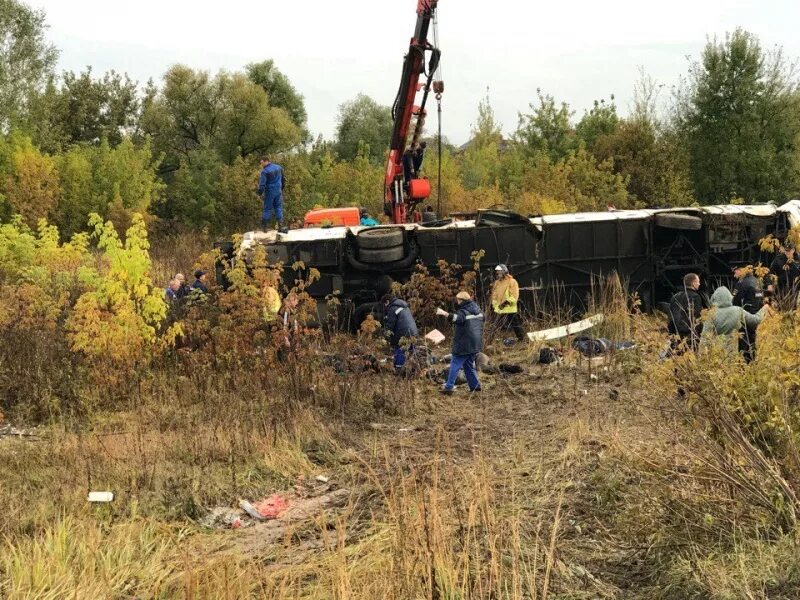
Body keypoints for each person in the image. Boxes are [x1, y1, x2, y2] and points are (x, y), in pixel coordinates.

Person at [436, 291, 484, 394]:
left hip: (464, 344)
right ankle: (475, 386)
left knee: (455, 364)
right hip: (475, 343)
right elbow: (483, 319)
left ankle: (448, 387)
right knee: (469, 365)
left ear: (462, 300)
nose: (457, 302)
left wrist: (443, 313)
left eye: (458, 300)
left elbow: (456, 318)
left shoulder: (463, 312)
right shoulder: (479, 310)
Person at [701, 286, 770, 355]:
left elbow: (704, 337)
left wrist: (702, 356)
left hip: (716, 355)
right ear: (729, 297)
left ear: (714, 299)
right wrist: (763, 309)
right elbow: (755, 320)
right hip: (733, 353)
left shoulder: (711, 314)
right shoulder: (737, 310)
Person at [732, 266, 764, 362]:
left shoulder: (741, 283)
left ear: (740, 270)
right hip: (755, 314)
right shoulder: (757, 281)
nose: (734, 274)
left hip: (745, 314)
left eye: (735, 271)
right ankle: (752, 360)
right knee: (752, 338)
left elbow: (735, 301)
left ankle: (744, 363)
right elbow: (761, 298)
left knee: (743, 340)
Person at [667, 272, 705, 352]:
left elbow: (671, 319)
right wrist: (698, 336)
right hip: (690, 336)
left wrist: (671, 335)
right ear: (693, 283)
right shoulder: (695, 297)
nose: (699, 284)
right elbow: (696, 318)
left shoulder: (675, 297)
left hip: (676, 335)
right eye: (698, 281)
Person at [490, 264, 525, 344]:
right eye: (497, 272)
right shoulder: (497, 283)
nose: (497, 273)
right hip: (499, 308)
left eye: (499, 272)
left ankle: (522, 340)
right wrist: (494, 305)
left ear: (504, 271)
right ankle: (490, 341)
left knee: (515, 324)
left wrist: (506, 302)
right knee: (495, 325)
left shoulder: (512, 282)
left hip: (509, 307)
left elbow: (515, 295)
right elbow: (494, 295)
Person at [382, 295, 419, 370]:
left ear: (387, 302)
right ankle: (414, 368)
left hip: (403, 333)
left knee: (400, 350)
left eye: (384, 304)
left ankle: (399, 368)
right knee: (412, 350)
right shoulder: (404, 306)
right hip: (414, 332)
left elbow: (390, 325)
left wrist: (386, 336)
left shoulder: (392, 308)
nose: (385, 307)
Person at [258, 156, 287, 233]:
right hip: (278, 190)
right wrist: (281, 188)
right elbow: (283, 179)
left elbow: (262, 185)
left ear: (266, 161)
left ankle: (265, 228)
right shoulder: (278, 167)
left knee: (267, 208)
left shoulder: (265, 171)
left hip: (270, 191)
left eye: (262, 163)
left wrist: (259, 193)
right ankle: (281, 226)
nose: (261, 165)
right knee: (278, 207)